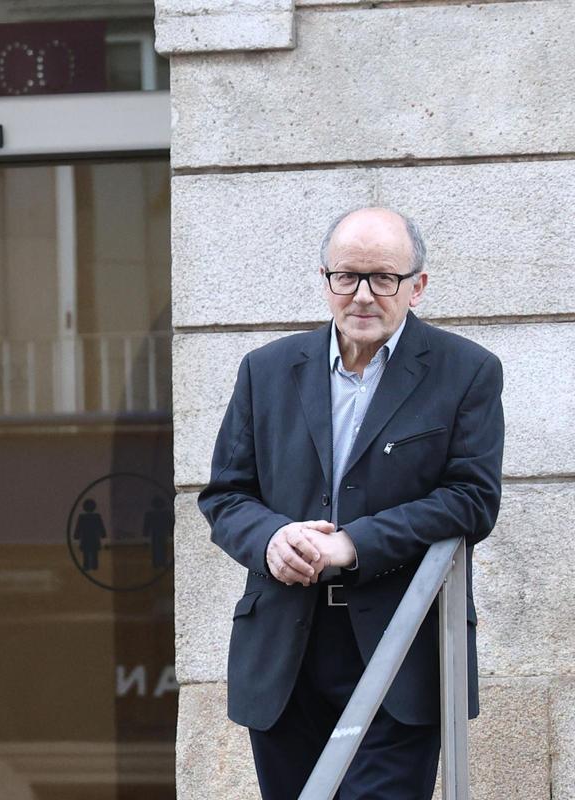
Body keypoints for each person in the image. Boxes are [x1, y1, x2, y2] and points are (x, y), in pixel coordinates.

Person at [198, 207, 503, 798]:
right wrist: (271, 540)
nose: (363, 295)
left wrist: (351, 544)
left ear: (417, 286)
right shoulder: (266, 370)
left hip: (403, 647)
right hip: (286, 652)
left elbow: (472, 499)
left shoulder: (466, 371)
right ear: (325, 280)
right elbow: (226, 495)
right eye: (347, 277)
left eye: (383, 278)